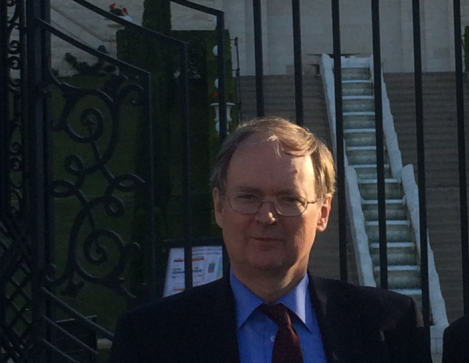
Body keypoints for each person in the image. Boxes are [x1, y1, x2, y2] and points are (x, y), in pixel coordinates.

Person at [110, 116, 431, 363]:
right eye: (248, 197)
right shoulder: (149, 338)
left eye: (289, 199)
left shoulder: (390, 325)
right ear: (219, 207)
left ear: (323, 212)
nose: (266, 216)